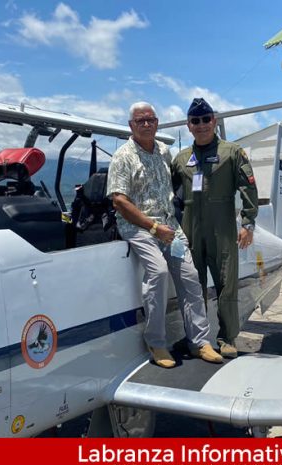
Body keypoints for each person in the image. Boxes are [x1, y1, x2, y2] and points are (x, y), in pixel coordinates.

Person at [107, 102, 223, 368]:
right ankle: (156, 342)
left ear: (157, 123)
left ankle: (200, 342)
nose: (146, 124)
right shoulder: (123, 156)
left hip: (170, 227)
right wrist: (153, 227)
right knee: (158, 273)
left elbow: (179, 188)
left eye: (150, 120)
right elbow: (119, 202)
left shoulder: (164, 152)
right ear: (131, 126)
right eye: (140, 121)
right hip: (138, 227)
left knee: (191, 278)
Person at [170, 98, 259, 359]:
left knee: (226, 283)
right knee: (192, 286)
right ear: (188, 125)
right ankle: (196, 340)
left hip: (222, 226)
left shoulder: (232, 152)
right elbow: (170, 195)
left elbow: (248, 188)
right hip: (190, 228)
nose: (201, 125)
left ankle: (228, 337)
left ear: (214, 121)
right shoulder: (181, 159)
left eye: (206, 119)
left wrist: (248, 223)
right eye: (195, 121)